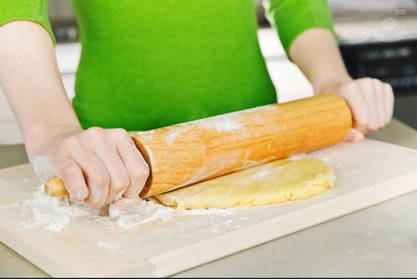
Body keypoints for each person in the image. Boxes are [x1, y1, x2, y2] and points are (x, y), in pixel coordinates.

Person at [0, 0, 394, 209]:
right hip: (117, 153)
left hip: (258, 141)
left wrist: (331, 79)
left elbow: (295, 1)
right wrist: (52, 129)